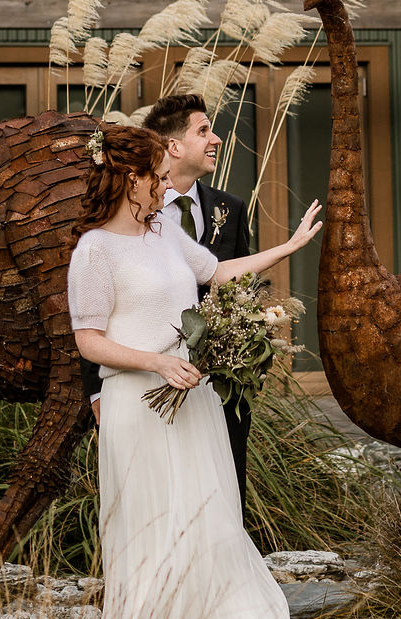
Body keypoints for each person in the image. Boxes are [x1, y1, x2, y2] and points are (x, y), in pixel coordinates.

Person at [68, 123, 330, 619]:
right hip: (138, 408)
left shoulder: (166, 232)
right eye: (157, 178)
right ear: (131, 180)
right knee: (152, 531)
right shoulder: (94, 251)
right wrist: (157, 360)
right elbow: (88, 339)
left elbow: (218, 272)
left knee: (210, 523)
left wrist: (288, 248)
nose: (166, 188)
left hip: (194, 406)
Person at [82, 94, 267, 509]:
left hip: (217, 386)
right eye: (204, 130)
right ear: (173, 147)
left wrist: (243, 364)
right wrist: (96, 391)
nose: (216, 139)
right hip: (142, 385)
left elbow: (242, 290)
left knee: (220, 496)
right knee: (153, 498)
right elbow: (94, 311)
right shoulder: (122, 215)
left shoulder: (231, 209)